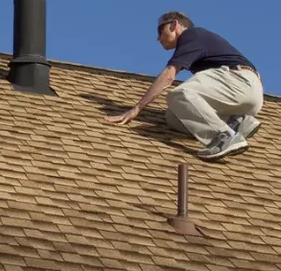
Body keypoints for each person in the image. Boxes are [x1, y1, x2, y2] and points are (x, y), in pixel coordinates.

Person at [105, 11, 264, 161]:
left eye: (160, 31)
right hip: (246, 93)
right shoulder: (198, 43)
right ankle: (236, 122)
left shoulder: (192, 35)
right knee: (174, 117)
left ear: (174, 24)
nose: (158, 38)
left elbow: (169, 75)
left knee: (180, 94)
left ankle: (224, 136)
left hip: (238, 82)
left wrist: (137, 108)